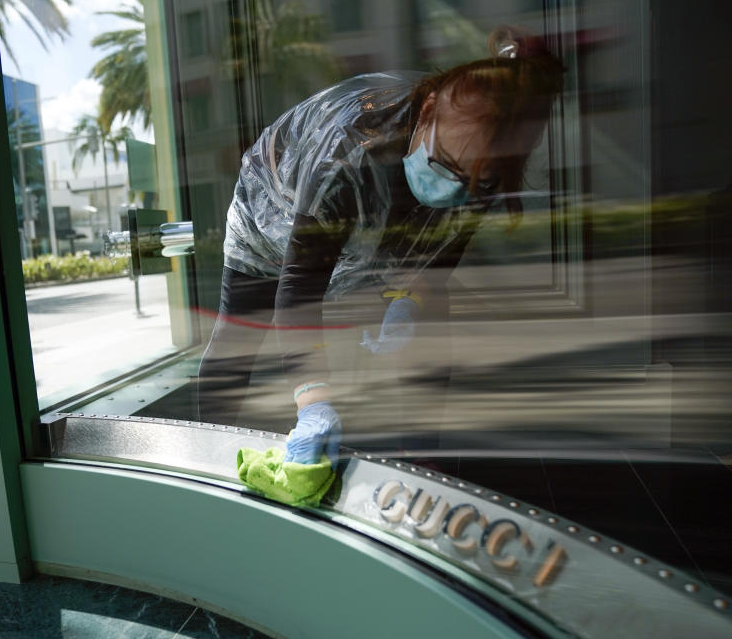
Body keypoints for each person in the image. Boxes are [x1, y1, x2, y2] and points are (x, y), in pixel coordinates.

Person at [197, 26, 565, 468]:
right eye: (444, 165)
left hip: (386, 223)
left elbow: (443, 251)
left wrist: (411, 299)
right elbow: (299, 291)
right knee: (236, 336)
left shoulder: (484, 160)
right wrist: (312, 403)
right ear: (428, 110)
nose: (454, 188)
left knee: (430, 332)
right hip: (272, 209)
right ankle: (206, 454)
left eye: (476, 181)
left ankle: (423, 463)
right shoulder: (345, 152)